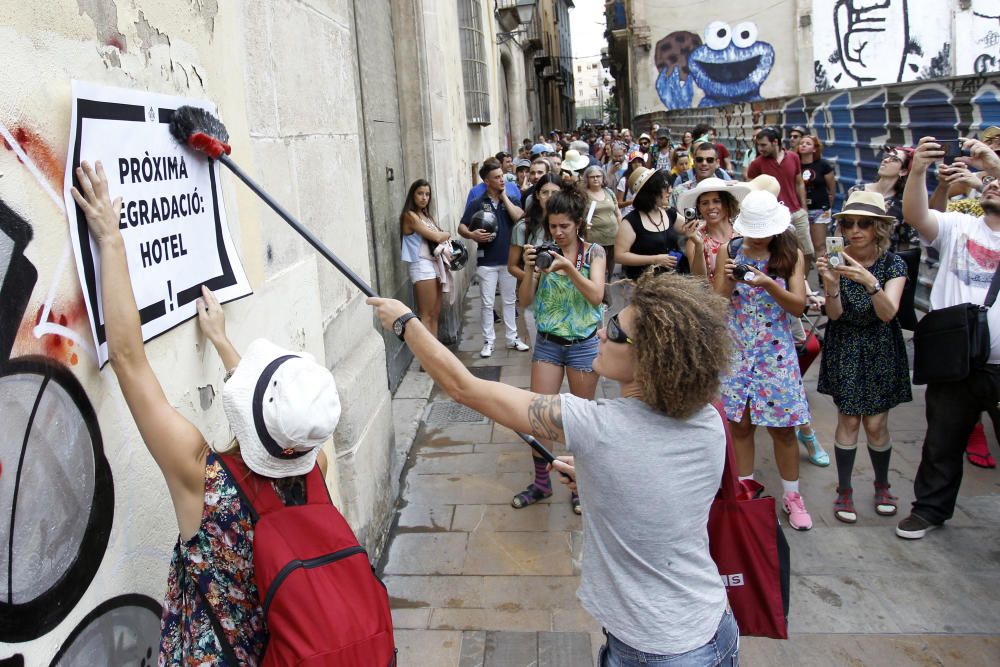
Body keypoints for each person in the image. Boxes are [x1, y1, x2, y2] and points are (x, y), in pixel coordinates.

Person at [367, 271, 738, 665]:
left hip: (657, 651)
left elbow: (464, 388)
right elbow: (660, 491)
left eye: (614, 329)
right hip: (712, 627)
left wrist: (406, 323)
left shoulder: (598, 427)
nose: (599, 331)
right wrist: (597, 474)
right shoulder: (709, 421)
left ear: (649, 357)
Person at [71, 161, 338, 664]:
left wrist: (111, 240)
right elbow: (272, 425)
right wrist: (221, 341)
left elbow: (129, 362)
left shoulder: (203, 479)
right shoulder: (315, 469)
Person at [896, 136, 1000, 539]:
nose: (991, 185)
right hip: (954, 360)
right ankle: (929, 510)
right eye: (989, 182)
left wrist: (992, 167)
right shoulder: (959, 225)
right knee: (941, 441)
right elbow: (916, 214)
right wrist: (918, 168)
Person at [714, 189, 814, 531]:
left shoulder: (789, 253)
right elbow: (717, 302)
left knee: (784, 429)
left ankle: (792, 496)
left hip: (775, 354)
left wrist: (769, 284)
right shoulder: (730, 251)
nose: (756, 238)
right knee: (740, 426)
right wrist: (729, 279)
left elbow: (797, 306)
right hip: (738, 350)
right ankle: (745, 491)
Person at [816, 191, 911, 523]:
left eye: (864, 224)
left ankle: (882, 484)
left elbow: (888, 314)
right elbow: (836, 314)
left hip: (880, 344)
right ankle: (844, 490)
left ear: (878, 229)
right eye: (849, 224)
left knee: (875, 423)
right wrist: (830, 285)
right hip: (846, 342)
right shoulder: (835, 260)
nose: (855, 230)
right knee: (849, 419)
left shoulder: (893, 263)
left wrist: (871, 283)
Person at [514, 187, 607, 515]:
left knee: (581, 419)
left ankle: (581, 483)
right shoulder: (542, 252)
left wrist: (567, 268)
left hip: (583, 345)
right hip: (549, 343)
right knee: (539, 416)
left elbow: (596, 296)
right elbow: (525, 300)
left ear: (578, 223)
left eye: (564, 226)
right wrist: (530, 271)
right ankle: (541, 482)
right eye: (553, 226)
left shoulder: (594, 253)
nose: (558, 232)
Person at [459, 161, 530, 358]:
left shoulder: (512, 199)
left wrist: (505, 197)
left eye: (502, 176)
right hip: (487, 261)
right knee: (487, 303)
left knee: (509, 301)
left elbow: (521, 218)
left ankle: (512, 338)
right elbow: (462, 227)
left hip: (509, 261)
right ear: (487, 181)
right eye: (497, 177)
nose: (502, 180)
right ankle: (488, 341)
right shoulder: (477, 202)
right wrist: (473, 235)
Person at [616, 167, 704, 279]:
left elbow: (690, 227)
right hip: (644, 285)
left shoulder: (669, 213)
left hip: (673, 282)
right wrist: (655, 259)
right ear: (650, 192)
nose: (670, 191)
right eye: (664, 188)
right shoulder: (630, 222)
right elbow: (619, 256)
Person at [509, 174, 563, 345]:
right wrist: (532, 276)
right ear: (537, 195)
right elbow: (512, 266)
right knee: (542, 353)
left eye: (554, 192)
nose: (549, 197)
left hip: (566, 301)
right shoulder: (523, 227)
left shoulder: (571, 226)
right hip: (536, 302)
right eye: (545, 192)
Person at [747, 126, 814, 264]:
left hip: (796, 213)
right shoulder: (756, 164)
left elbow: (799, 183)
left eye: (763, 145)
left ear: (775, 142)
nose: (760, 149)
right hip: (774, 216)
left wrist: (803, 208)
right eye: (758, 145)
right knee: (783, 254)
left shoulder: (794, 157)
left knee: (807, 252)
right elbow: (751, 190)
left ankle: (802, 281)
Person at [400, 179, 451, 340]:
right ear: (412, 195)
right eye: (420, 193)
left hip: (434, 265)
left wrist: (442, 235)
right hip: (421, 265)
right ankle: (426, 359)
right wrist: (447, 234)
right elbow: (437, 236)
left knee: (435, 314)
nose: (424, 197)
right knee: (426, 316)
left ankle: (433, 356)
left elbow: (437, 236)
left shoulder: (426, 215)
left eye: (427, 194)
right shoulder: (410, 216)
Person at [677, 177, 749, 282]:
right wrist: (699, 245)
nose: (711, 207)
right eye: (705, 203)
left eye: (716, 201)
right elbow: (699, 282)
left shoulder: (743, 231)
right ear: (699, 208)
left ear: (727, 204)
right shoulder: (694, 240)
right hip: (714, 297)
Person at [849, 145, 917, 251]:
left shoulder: (903, 203)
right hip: (851, 258)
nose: (885, 160)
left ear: (903, 171)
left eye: (894, 159)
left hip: (885, 263)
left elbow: (906, 243)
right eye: (886, 156)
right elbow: (839, 229)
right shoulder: (856, 191)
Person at [798, 135, 837, 260]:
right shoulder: (795, 165)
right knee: (803, 247)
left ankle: (825, 274)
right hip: (800, 210)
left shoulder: (823, 165)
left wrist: (828, 205)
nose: (803, 145)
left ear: (815, 149)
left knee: (819, 245)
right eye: (802, 143)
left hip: (819, 209)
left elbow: (831, 188)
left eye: (808, 143)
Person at [582, 164, 622, 282]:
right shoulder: (584, 194)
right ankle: (597, 288)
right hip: (594, 237)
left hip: (613, 236)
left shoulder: (609, 192)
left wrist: (621, 229)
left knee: (611, 264)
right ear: (587, 179)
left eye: (598, 176)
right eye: (592, 177)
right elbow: (579, 215)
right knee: (597, 266)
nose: (595, 179)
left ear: (603, 178)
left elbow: (617, 212)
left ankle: (608, 286)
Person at [670, 142, 732, 210]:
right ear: (694, 162)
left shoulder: (727, 190)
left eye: (709, 160)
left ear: (717, 163)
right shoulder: (679, 192)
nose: (704, 163)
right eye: (699, 160)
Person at [616, 150, 646, 216]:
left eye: (639, 162)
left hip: (643, 215)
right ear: (630, 164)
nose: (637, 164)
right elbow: (618, 204)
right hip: (627, 216)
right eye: (634, 162)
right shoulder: (624, 181)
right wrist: (632, 201)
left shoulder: (647, 179)